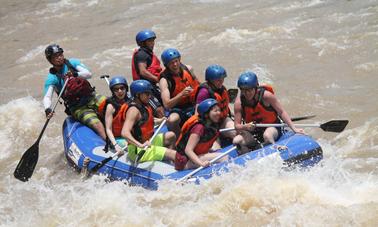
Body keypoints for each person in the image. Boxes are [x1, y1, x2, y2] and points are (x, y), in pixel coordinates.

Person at [43, 44, 107, 139]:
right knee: (96, 124)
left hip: (91, 96)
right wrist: (47, 109)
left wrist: (75, 74)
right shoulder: (52, 78)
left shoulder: (72, 63)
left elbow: (89, 74)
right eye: (55, 57)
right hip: (77, 107)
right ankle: (108, 143)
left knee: (112, 107)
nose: (59, 58)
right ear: (50, 60)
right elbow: (47, 97)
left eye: (60, 55)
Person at [232, 71, 305, 154]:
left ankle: (275, 150)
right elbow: (237, 126)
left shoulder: (266, 96)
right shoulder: (239, 103)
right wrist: (245, 126)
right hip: (254, 133)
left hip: (272, 127)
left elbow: (281, 112)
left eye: (249, 90)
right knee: (236, 140)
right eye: (244, 90)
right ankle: (247, 157)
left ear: (256, 87)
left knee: (267, 135)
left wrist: (294, 128)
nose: (247, 93)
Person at [122, 80, 177, 163]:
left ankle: (169, 162)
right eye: (147, 94)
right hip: (138, 150)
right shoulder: (133, 111)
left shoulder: (145, 105)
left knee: (171, 136)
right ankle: (170, 156)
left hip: (148, 141)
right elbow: (124, 133)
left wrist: (160, 120)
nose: (150, 96)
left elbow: (146, 121)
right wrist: (140, 145)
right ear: (138, 95)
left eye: (150, 93)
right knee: (174, 154)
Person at [174, 99, 228, 170]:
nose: (219, 113)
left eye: (219, 110)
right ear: (206, 114)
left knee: (218, 153)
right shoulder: (199, 128)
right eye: (215, 111)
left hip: (196, 157)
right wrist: (201, 163)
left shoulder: (211, 125)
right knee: (223, 157)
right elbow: (188, 150)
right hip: (185, 162)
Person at [159, 48, 200, 137]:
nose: (175, 64)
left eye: (176, 61)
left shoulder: (189, 69)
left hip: (194, 104)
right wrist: (181, 95)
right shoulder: (164, 80)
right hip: (179, 108)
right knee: (172, 120)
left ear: (179, 59)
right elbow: (167, 105)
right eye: (171, 63)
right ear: (166, 65)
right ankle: (179, 141)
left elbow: (199, 85)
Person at [195, 64, 235, 149]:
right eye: (218, 80)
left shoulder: (221, 88)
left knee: (235, 132)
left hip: (222, 120)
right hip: (209, 125)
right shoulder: (204, 92)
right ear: (210, 80)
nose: (221, 82)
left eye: (222, 79)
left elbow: (225, 107)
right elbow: (197, 114)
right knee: (215, 149)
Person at [131, 29, 164, 118]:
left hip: (152, 86)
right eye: (149, 41)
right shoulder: (142, 54)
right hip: (145, 89)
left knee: (166, 99)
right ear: (142, 43)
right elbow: (143, 71)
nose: (152, 43)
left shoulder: (148, 53)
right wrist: (157, 79)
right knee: (159, 110)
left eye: (153, 40)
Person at [100, 76, 130, 155]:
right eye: (116, 89)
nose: (120, 91)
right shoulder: (111, 107)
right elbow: (108, 129)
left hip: (129, 134)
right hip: (118, 138)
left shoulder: (131, 101)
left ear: (126, 89)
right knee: (134, 148)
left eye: (122, 88)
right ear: (113, 91)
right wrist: (115, 145)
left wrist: (159, 120)